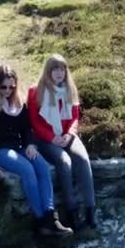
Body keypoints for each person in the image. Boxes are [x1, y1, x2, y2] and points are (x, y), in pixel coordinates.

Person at [0, 64, 73, 237]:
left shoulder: (18, 100)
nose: (7, 91)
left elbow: (27, 128)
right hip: (0, 149)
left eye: (12, 87)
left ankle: (51, 216)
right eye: (3, 87)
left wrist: (30, 144)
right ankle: (41, 221)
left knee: (41, 165)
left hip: (19, 146)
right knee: (27, 169)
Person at [27, 54, 97, 230]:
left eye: (62, 69)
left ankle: (90, 210)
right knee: (64, 161)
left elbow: (74, 117)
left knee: (82, 159)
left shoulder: (70, 89)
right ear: (48, 71)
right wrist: (52, 137)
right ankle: (72, 211)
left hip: (66, 135)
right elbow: (34, 121)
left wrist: (70, 134)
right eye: (55, 69)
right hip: (45, 138)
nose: (59, 73)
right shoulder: (36, 91)